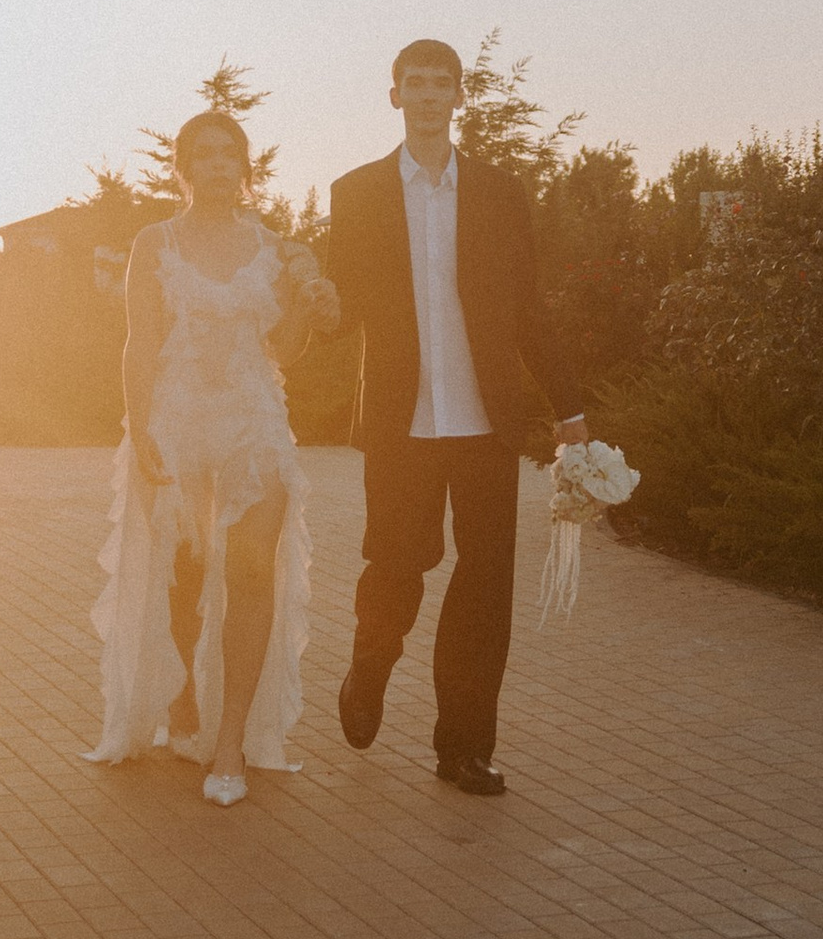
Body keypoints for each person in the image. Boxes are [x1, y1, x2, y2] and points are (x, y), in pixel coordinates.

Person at [328, 39, 585, 797]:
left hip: (484, 425)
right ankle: (371, 663)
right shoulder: (358, 192)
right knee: (399, 563)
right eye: (416, 83)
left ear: (460, 97)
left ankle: (463, 747)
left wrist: (568, 408)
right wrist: (310, 305)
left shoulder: (502, 192)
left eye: (443, 84)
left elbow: (528, 309)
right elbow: (341, 306)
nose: (430, 95)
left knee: (484, 586)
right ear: (394, 96)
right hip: (400, 424)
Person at [86, 109, 338, 803]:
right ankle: (186, 703)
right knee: (188, 582)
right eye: (206, 153)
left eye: (232, 154)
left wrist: (310, 318)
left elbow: (282, 351)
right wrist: (141, 433)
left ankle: (230, 744)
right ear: (185, 166)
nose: (220, 165)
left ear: (246, 168)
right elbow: (139, 342)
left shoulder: (275, 250)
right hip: (178, 423)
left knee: (252, 578)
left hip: (255, 424)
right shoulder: (155, 242)